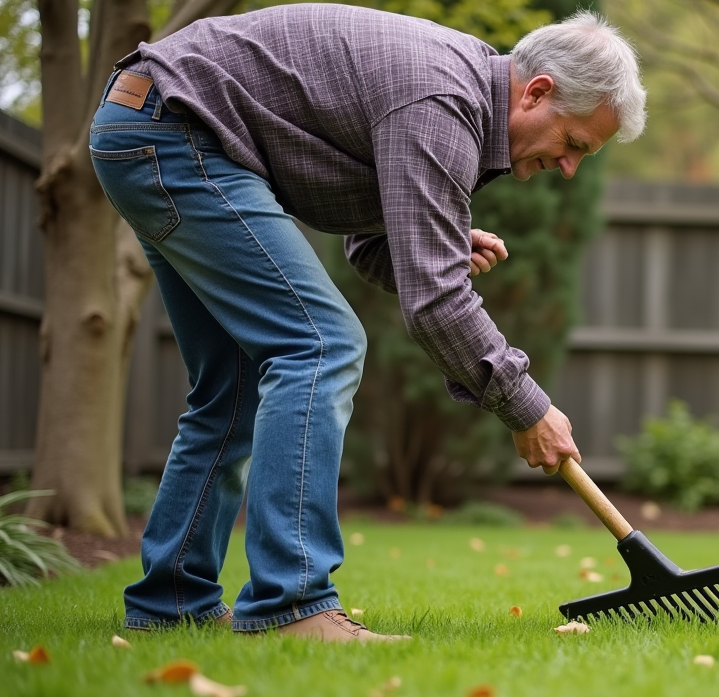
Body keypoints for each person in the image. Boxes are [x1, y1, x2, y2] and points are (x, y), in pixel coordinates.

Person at [89, 5, 646, 641]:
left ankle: (173, 602)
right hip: (177, 132)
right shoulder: (444, 99)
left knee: (234, 383)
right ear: (538, 92)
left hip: (146, 126)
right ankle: (290, 605)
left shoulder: (455, 99)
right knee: (319, 345)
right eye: (573, 144)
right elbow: (436, 302)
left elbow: (367, 248)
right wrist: (527, 408)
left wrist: (428, 237)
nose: (571, 167)